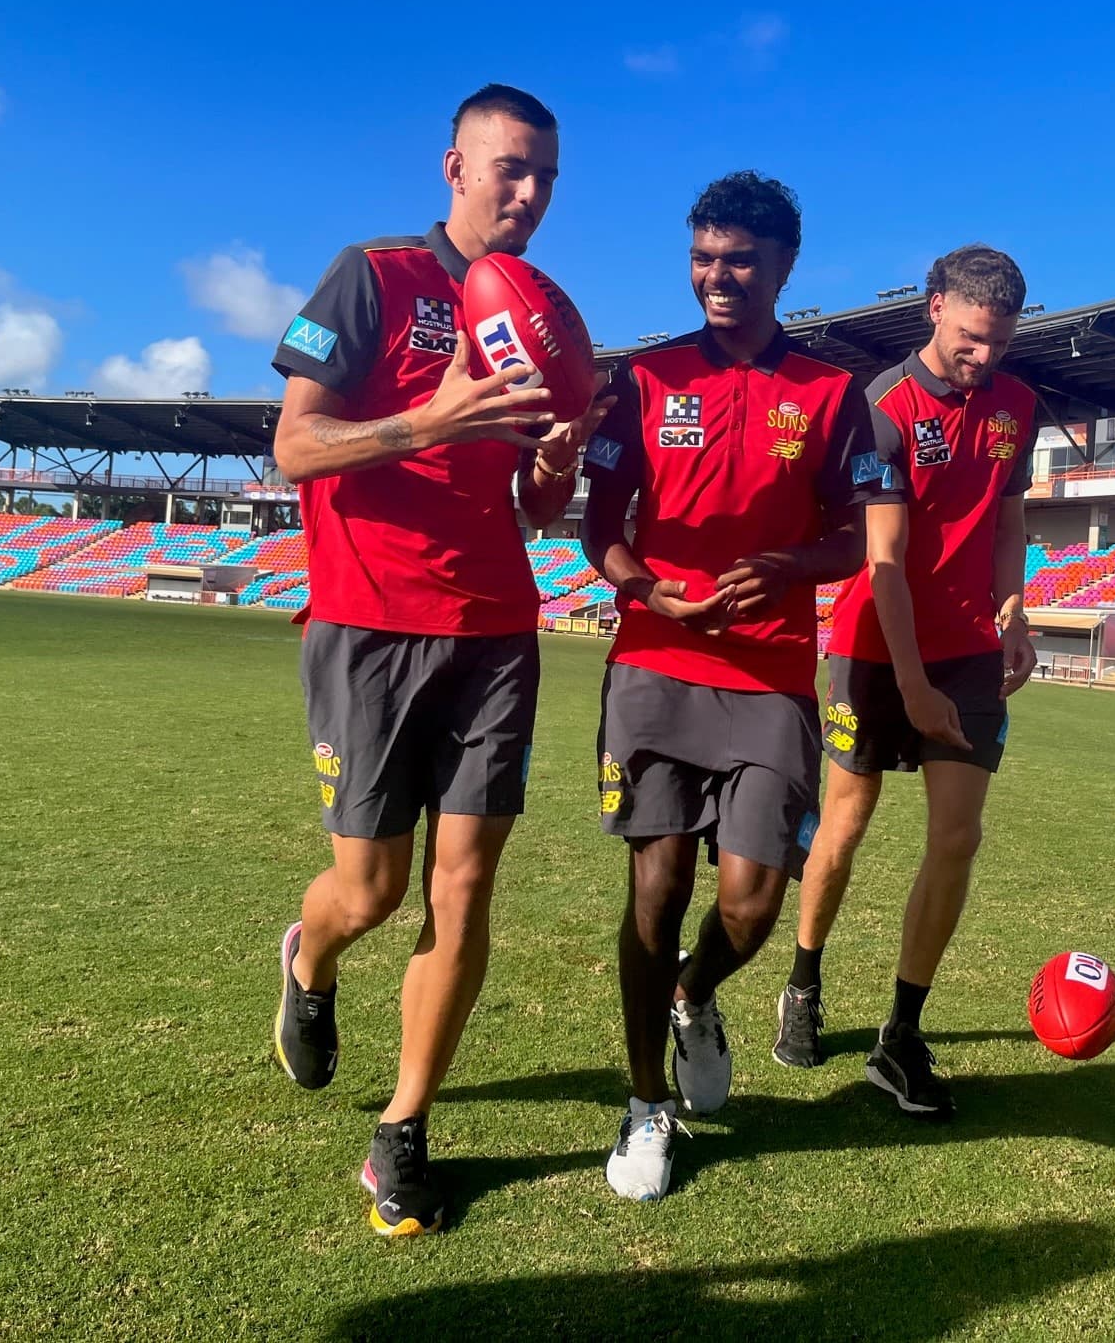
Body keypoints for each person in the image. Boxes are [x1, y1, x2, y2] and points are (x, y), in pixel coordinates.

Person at [268, 83, 609, 1237]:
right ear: (454, 167)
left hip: (497, 633)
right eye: (511, 168)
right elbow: (292, 448)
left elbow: (525, 493)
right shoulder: (373, 276)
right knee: (371, 890)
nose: (530, 194)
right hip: (367, 623)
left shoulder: (539, 313)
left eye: (548, 177)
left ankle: (402, 1133)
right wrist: (431, 420)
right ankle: (308, 961)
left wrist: (550, 478)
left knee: (464, 887)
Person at [581, 171, 877, 1201]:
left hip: (770, 681)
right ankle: (644, 1106)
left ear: (786, 266)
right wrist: (648, 590)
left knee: (749, 906)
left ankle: (695, 996)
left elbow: (854, 532)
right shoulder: (643, 380)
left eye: (740, 261)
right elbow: (596, 527)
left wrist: (795, 566)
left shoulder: (832, 394)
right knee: (655, 888)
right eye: (704, 258)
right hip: (656, 664)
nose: (717, 277)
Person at [775, 245, 1040, 1118]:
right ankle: (805, 981)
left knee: (957, 840)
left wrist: (1014, 611)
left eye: (999, 342)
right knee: (845, 822)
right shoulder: (879, 409)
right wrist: (915, 687)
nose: (985, 358)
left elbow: (1009, 519)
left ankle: (899, 1036)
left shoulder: (1018, 406)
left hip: (966, 649)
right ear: (934, 309)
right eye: (971, 339)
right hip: (872, 648)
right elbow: (883, 563)